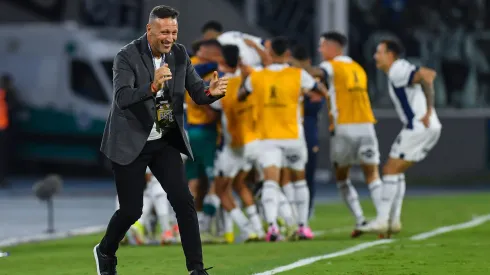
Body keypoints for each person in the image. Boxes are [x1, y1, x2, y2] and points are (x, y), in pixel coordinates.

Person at [94, 5, 227, 275]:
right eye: (164, 32)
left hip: (164, 137)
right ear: (149, 30)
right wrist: (152, 86)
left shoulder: (179, 54)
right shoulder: (126, 56)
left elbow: (197, 92)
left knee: (184, 202)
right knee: (132, 211)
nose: (169, 37)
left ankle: (197, 270)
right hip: (130, 141)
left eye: (174, 31)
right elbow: (122, 99)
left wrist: (210, 92)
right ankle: (105, 250)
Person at [241, 37, 328, 241]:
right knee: (299, 181)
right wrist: (305, 94)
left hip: (268, 137)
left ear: (268, 54)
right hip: (293, 137)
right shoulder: (298, 75)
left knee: (271, 182)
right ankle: (303, 226)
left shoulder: (256, 76)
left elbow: (241, 94)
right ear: (287, 55)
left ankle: (272, 227)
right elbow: (322, 92)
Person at [300, 32, 382, 237]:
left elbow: (317, 73)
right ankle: (384, 219)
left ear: (331, 47)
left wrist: (295, 67)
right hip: (367, 126)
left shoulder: (331, 66)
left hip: (344, 127)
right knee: (372, 174)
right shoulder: (358, 68)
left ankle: (360, 218)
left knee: (342, 177)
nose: (320, 50)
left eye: (322, 46)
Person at [359, 39, 441, 236]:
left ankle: (383, 220)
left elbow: (428, 75)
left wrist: (429, 110)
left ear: (390, 55)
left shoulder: (397, 70)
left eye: (379, 53)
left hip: (419, 127)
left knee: (389, 170)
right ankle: (392, 221)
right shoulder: (401, 68)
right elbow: (426, 76)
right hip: (425, 127)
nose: (375, 57)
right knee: (396, 171)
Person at [289, 44, 326, 219]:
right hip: (288, 130)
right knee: (288, 174)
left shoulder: (315, 83)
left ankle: (306, 212)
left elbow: (316, 104)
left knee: (308, 172)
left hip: (308, 129)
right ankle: (290, 213)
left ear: (307, 63)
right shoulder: (290, 78)